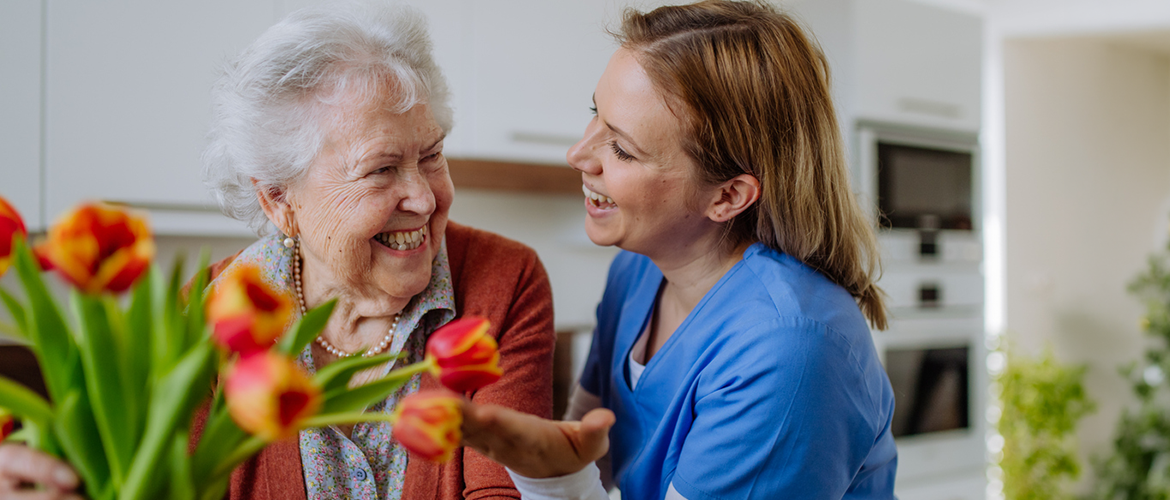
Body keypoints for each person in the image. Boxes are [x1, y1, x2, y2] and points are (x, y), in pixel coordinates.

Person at [0, 4, 554, 500]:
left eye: (431, 156)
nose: (424, 195)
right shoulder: (210, 314)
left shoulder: (504, 282)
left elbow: (503, 492)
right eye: (382, 169)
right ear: (278, 199)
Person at [458, 1, 898, 499]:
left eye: (622, 148)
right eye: (593, 114)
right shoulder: (636, 271)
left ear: (727, 196)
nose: (577, 154)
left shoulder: (788, 352)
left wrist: (554, 479)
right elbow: (584, 454)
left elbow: (570, 476)